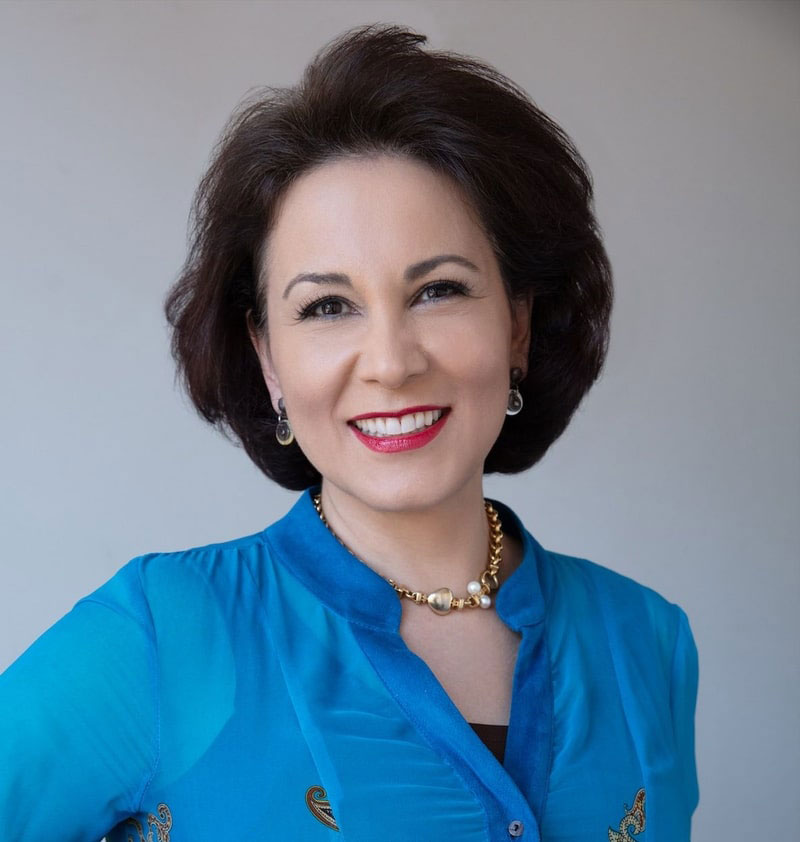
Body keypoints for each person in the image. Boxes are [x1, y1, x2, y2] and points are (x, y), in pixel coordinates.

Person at [0, 24, 698, 842]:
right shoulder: (160, 638)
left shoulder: (647, 642)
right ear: (267, 358)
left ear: (517, 324)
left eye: (439, 290)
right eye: (328, 307)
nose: (391, 362)